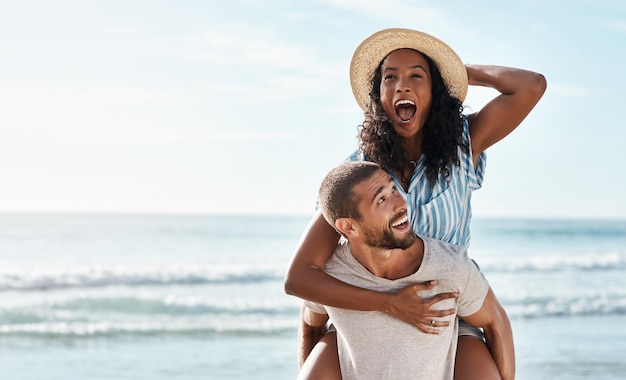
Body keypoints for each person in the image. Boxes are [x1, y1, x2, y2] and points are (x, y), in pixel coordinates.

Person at [285, 28, 546, 379]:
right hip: (368, 302)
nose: (402, 86)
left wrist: (455, 71)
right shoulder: (358, 173)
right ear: (378, 95)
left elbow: (530, 86)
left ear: (433, 92)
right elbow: (301, 277)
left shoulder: (463, 148)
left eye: (416, 77)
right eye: (390, 78)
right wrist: (388, 303)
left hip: (446, 302)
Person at [297, 161, 514, 379]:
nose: (401, 204)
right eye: (381, 200)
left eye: (394, 190)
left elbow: (496, 323)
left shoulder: (450, 268)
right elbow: (310, 324)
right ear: (349, 227)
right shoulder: (332, 273)